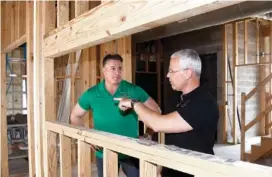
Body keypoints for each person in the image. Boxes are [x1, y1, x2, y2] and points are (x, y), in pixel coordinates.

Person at [114, 49, 219, 177]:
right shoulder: (180, 98)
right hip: (175, 169)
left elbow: (157, 124)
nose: (167, 75)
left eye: (172, 71)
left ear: (188, 73)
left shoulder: (203, 102)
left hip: (193, 172)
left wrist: (134, 103)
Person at [70, 54, 161, 177]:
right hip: (104, 152)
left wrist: (148, 134)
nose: (117, 72)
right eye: (113, 68)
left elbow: (156, 110)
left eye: (120, 68)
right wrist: (89, 137)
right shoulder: (92, 93)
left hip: (131, 150)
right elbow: (75, 116)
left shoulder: (133, 90)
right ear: (104, 71)